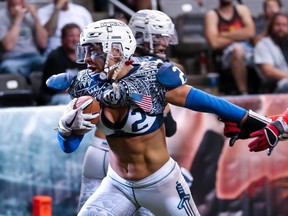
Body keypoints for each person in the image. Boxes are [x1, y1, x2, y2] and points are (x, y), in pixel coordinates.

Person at [54, 19, 271, 215]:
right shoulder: (87, 85)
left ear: (117, 50)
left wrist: (246, 118)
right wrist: (65, 130)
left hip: (160, 184)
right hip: (116, 183)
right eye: (86, 49)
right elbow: (68, 147)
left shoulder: (150, 76)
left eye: (94, 50)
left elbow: (203, 100)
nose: (87, 59)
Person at [204, 0, 255, 95]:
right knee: (237, 49)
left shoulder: (242, 10)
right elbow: (214, 43)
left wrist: (223, 34)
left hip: (249, 51)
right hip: (225, 55)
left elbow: (250, 32)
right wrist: (241, 35)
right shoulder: (212, 15)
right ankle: (243, 92)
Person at [40, 23, 86, 105]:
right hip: (54, 97)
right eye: (71, 36)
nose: (75, 39)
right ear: (62, 39)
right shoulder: (55, 57)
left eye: (78, 36)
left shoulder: (86, 56)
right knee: (72, 100)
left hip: (78, 94)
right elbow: (60, 88)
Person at [0, 0, 47, 77]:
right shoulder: (1, 17)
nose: (16, 8)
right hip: (12, 59)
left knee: (50, 64)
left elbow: (43, 44)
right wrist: (18, 19)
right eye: (13, 5)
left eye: (19, 5)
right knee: (8, 68)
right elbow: (8, 46)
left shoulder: (30, 16)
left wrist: (36, 19)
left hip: (34, 56)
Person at [254, 12, 288, 93]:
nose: (281, 28)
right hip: (275, 88)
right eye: (278, 25)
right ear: (271, 27)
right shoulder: (263, 45)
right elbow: (268, 72)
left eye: (284, 25)